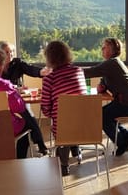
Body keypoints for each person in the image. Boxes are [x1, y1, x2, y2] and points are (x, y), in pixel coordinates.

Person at [83, 38, 128, 156]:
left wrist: (69, 72)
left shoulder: (112, 63)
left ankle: (122, 142)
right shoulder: (112, 62)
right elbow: (104, 81)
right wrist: (102, 86)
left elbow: (90, 72)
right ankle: (126, 135)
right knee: (103, 115)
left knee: (102, 116)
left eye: (104, 47)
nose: (102, 49)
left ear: (111, 50)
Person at [40, 41, 87, 176]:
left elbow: (46, 110)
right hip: (84, 126)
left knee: (62, 123)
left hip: (63, 128)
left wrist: (53, 113)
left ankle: (63, 164)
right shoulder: (79, 71)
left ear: (49, 58)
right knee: (73, 117)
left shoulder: (50, 79)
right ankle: (75, 149)